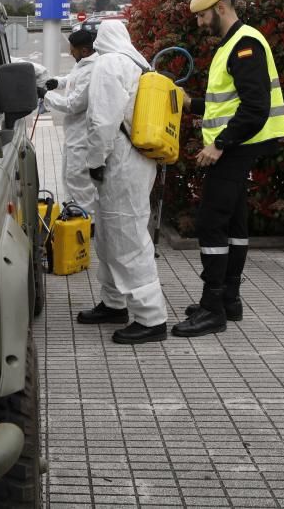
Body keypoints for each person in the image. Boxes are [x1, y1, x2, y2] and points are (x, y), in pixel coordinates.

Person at [172, 0, 284, 337]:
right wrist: (190, 103)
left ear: (221, 8)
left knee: (210, 221)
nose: (199, 24)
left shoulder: (244, 45)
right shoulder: (233, 44)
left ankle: (212, 308)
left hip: (238, 146)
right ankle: (229, 300)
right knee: (235, 222)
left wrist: (219, 144)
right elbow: (229, 103)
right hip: (241, 144)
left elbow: (255, 107)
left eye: (203, 16)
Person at [75, 20, 167, 344]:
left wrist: (94, 162)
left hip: (120, 163)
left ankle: (151, 317)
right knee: (111, 237)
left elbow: (102, 120)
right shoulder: (138, 63)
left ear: (102, 38)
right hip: (138, 161)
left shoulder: (109, 64)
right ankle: (114, 303)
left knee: (127, 239)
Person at [36, 29, 98, 219]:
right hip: (74, 135)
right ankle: (74, 215)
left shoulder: (92, 69)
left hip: (82, 137)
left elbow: (73, 104)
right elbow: (73, 80)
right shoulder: (83, 64)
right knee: (69, 178)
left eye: (73, 50)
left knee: (79, 180)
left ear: (85, 50)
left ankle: (88, 223)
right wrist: (58, 82)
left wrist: (46, 95)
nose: (70, 52)